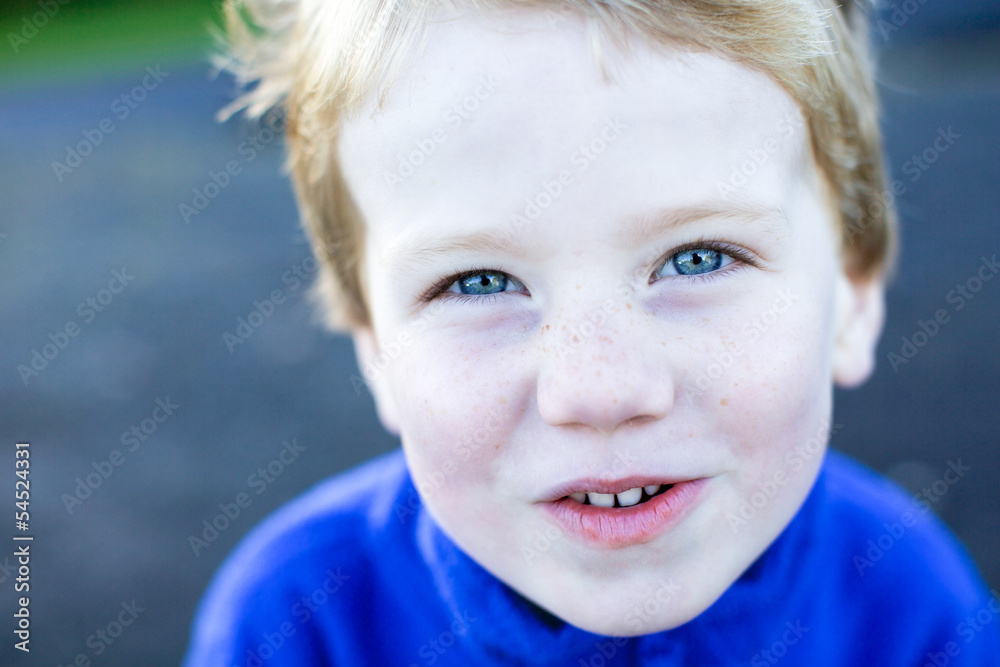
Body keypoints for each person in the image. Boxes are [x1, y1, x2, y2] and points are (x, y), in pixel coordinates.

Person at [184, 0, 1000, 664]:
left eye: (699, 257)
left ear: (851, 300)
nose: (599, 389)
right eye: (477, 282)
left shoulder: (904, 601)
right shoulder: (299, 625)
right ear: (376, 351)